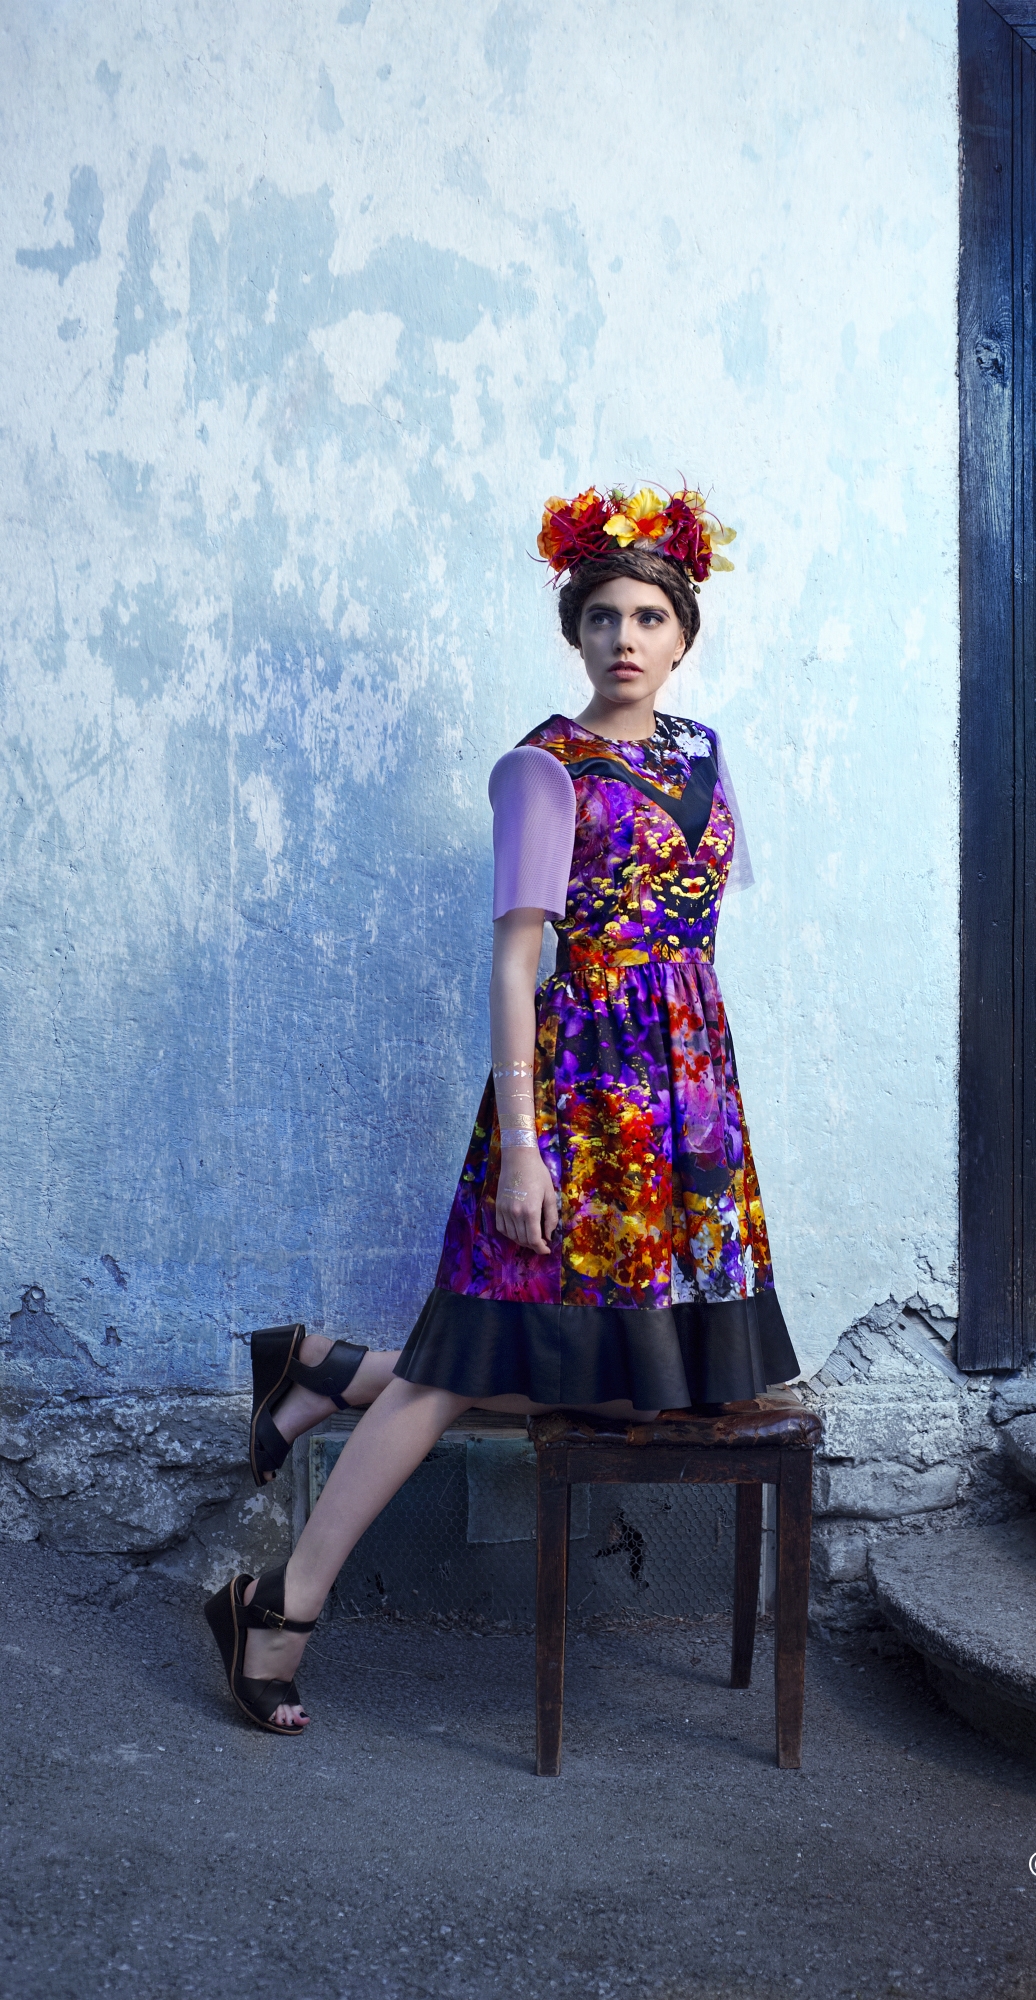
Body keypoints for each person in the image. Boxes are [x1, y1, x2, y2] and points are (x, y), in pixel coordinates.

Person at [205, 483, 798, 1733]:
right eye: (599, 616)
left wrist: (704, 1109)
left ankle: (327, 1368)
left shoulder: (703, 755)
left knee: (646, 1383)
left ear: (683, 635)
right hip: (574, 1102)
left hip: (684, 1104)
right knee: (465, 1360)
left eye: (646, 615)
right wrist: (521, 1147)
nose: (623, 637)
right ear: (572, 635)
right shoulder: (543, 769)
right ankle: (279, 1605)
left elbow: (690, 936)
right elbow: (515, 964)